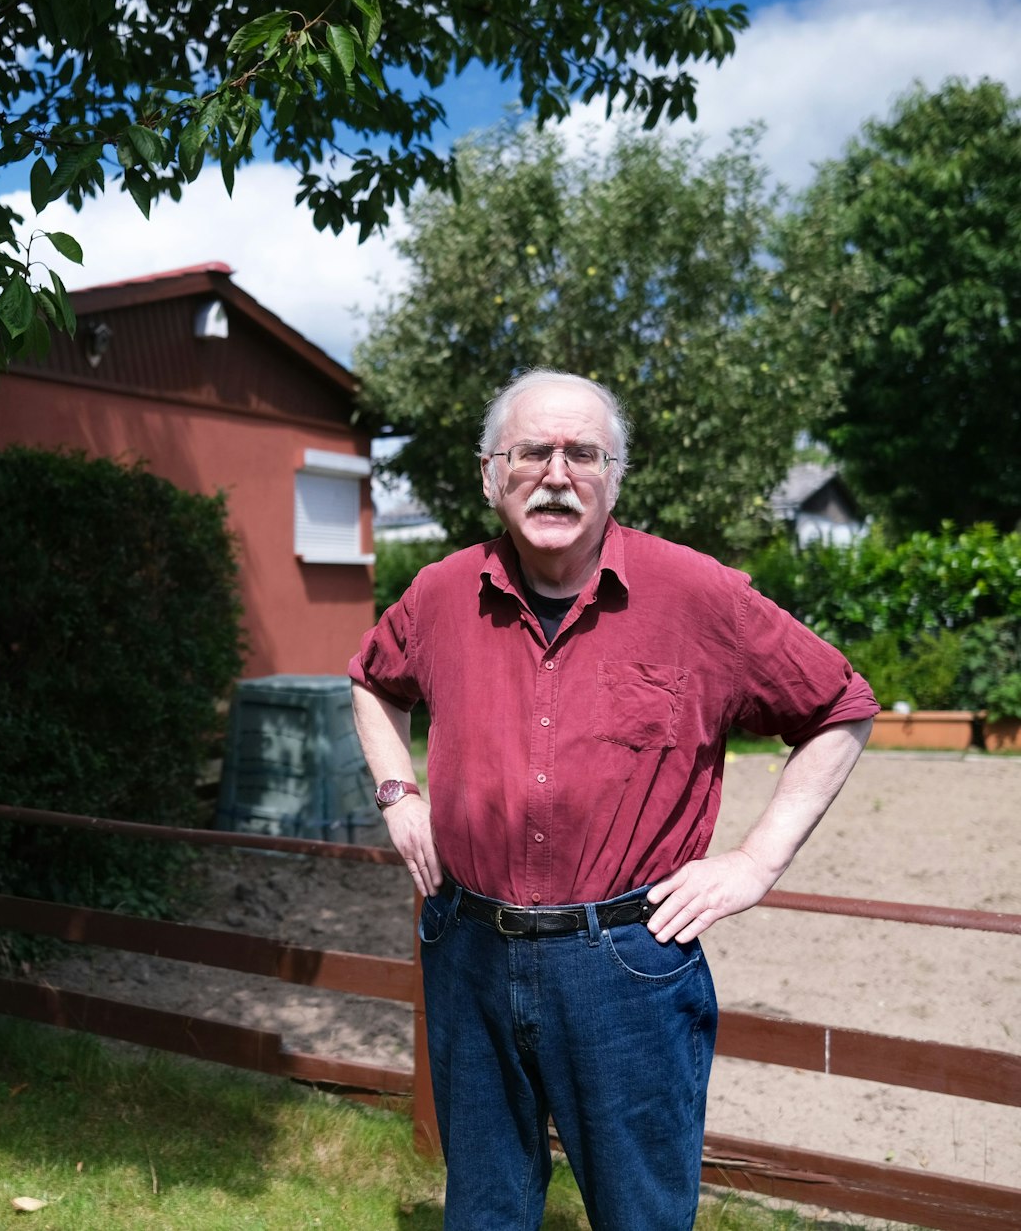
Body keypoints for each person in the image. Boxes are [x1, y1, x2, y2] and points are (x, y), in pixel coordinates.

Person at [350, 369, 877, 1231]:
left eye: (583, 453)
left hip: (626, 966)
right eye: (531, 452)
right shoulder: (443, 591)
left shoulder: (698, 595)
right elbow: (371, 680)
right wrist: (400, 792)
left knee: (641, 1216)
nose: (557, 474)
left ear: (616, 475)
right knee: (482, 1209)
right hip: (468, 946)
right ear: (491, 474)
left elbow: (840, 705)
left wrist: (756, 861)